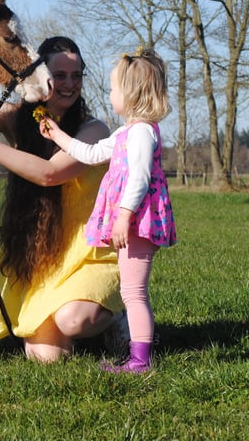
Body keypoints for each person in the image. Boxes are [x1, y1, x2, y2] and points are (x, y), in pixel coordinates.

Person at [0, 36, 128, 363]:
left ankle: (118, 314)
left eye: (76, 75)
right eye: (59, 75)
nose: (69, 84)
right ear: (41, 75)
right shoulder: (15, 117)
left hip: (88, 255)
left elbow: (51, 174)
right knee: (44, 358)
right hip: (45, 257)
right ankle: (76, 317)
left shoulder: (94, 131)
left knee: (72, 320)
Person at [40, 47, 177, 373]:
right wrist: (58, 135)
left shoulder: (141, 133)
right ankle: (137, 355)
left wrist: (124, 216)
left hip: (138, 222)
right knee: (132, 292)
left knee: (134, 293)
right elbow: (91, 154)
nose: (110, 93)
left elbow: (140, 178)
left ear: (131, 93)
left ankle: (140, 360)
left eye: (114, 88)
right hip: (134, 222)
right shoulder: (127, 132)